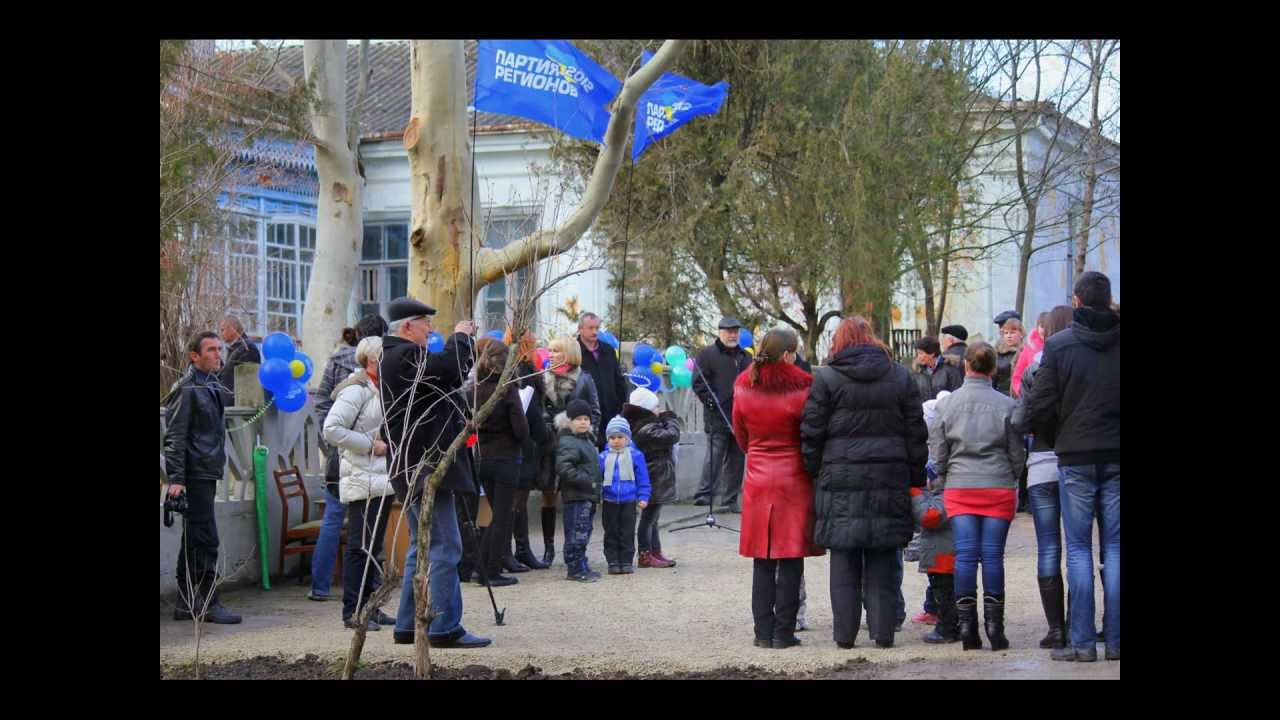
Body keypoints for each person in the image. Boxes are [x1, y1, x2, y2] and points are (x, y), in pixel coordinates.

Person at [801, 316, 926, 650]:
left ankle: (844, 635)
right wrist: (915, 476)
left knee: (843, 560)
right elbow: (916, 432)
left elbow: (811, 432)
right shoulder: (900, 376)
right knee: (884, 558)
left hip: (840, 479)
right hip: (889, 478)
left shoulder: (826, 378)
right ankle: (883, 633)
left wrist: (815, 471)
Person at [380, 297, 490, 649]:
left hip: (416, 465)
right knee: (446, 545)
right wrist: (460, 337)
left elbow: (440, 385)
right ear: (406, 327)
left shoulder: (400, 357)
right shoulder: (401, 356)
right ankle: (443, 627)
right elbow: (445, 369)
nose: (430, 329)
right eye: (424, 322)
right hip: (422, 466)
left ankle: (408, 623)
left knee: (422, 545)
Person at [1025, 272, 1120, 663]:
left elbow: (1039, 407)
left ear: (1077, 302)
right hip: (1116, 454)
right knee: (1115, 548)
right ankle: (1115, 640)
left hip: (1075, 456)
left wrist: (1057, 437)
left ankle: (1082, 643)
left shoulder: (1059, 346)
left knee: (1079, 550)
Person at [732, 327, 824, 650]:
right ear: (788, 354)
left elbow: (741, 436)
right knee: (790, 556)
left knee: (763, 558)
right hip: (794, 478)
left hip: (758, 477)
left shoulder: (744, 387)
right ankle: (784, 632)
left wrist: (758, 453)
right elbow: (811, 435)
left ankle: (762, 631)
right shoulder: (804, 389)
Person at [929, 342, 1025, 652]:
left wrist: (944, 475)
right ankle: (995, 628)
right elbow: (1016, 453)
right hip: (997, 484)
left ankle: (968, 628)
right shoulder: (1007, 405)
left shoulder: (947, 405)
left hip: (961, 485)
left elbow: (939, 454)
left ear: (966, 366)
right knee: (993, 555)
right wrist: (1011, 476)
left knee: (966, 555)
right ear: (994, 368)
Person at [309, 314, 388, 603]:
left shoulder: (336, 359)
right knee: (360, 534)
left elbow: (320, 404)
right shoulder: (359, 380)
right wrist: (346, 442)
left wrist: (331, 446)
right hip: (356, 455)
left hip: (342, 455)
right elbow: (331, 419)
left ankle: (321, 586)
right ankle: (360, 597)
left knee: (336, 522)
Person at [165, 331, 242, 624]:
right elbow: (174, 437)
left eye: (219, 349)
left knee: (194, 538)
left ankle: (186, 603)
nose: (217, 354)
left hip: (205, 471)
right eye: (211, 349)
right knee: (206, 538)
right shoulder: (186, 389)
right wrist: (176, 479)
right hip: (194, 474)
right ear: (194, 356)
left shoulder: (211, 384)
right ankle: (208, 602)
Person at [322, 336, 397, 631]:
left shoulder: (382, 388)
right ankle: (353, 611)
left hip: (380, 476)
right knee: (359, 547)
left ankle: (371, 606)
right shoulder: (356, 390)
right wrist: (369, 445)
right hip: (362, 476)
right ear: (373, 359)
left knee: (373, 545)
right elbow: (332, 429)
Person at [1012, 305, 1075, 650]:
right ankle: (1077, 622)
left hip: (1041, 466)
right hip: (1075, 461)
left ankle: (1055, 629)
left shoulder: (1037, 369)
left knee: (1049, 546)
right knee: (1081, 548)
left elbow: (1020, 419)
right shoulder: (1087, 364)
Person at [470, 337, 530, 588]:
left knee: (492, 515)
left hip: (482, 456)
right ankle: (489, 570)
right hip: (506, 457)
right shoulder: (507, 390)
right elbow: (521, 429)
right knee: (502, 517)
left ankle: (480, 567)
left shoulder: (474, 389)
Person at [538, 336, 601, 566]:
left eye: (556, 351)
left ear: (569, 353)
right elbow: (539, 410)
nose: (550, 354)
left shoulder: (584, 379)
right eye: (550, 350)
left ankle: (573, 549)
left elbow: (595, 411)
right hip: (550, 443)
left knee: (573, 497)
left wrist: (587, 435)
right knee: (548, 495)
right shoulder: (543, 379)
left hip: (576, 443)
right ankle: (548, 549)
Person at [692, 316, 752, 511]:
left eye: (735, 331)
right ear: (720, 332)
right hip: (717, 415)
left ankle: (729, 499)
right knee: (714, 457)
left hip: (740, 416)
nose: (733, 334)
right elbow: (699, 382)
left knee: (737, 459)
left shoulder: (746, 357)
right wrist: (709, 400)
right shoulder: (707, 355)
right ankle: (704, 495)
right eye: (729, 331)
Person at [912, 393, 958, 644]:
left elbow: (931, 516)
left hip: (943, 552)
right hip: (943, 549)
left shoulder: (943, 486)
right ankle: (951, 622)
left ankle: (948, 628)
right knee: (945, 588)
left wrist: (914, 495)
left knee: (945, 590)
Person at [504, 329, 551, 571]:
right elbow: (530, 409)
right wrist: (544, 435)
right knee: (515, 502)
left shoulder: (513, 370)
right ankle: (516, 551)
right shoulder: (522, 371)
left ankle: (520, 550)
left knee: (517, 501)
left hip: (522, 441)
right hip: (523, 442)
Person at [621, 387, 681, 569]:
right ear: (646, 409)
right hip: (653, 478)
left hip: (657, 477)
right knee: (648, 518)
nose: (659, 410)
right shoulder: (646, 428)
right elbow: (672, 436)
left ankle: (655, 551)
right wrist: (670, 418)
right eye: (655, 407)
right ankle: (645, 554)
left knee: (653, 518)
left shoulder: (647, 425)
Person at [555, 399, 603, 582]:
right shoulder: (568, 441)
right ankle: (574, 568)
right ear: (569, 421)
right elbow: (564, 468)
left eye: (586, 419)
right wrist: (587, 482)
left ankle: (582, 564)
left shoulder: (587, 440)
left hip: (588, 495)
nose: (583, 422)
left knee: (584, 532)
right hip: (576, 495)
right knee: (576, 533)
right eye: (578, 419)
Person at [598, 416, 651, 574]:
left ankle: (626, 560)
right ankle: (613, 560)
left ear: (627, 438)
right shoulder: (603, 457)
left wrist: (643, 496)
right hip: (609, 500)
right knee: (611, 531)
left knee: (627, 531)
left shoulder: (636, 456)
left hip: (629, 500)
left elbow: (643, 478)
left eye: (620, 437)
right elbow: (596, 477)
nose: (616, 441)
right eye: (612, 438)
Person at [577, 312, 628, 451]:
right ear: (580, 328)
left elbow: (619, 381)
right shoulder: (574, 351)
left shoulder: (608, 350)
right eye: (591, 328)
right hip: (586, 417)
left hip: (611, 414)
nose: (595, 332)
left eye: (597, 328)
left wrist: (621, 408)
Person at [217, 315, 261, 404]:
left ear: (233, 329)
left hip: (238, 408)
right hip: (231, 405)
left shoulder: (246, 348)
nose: (220, 334)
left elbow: (246, 383)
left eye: (222, 330)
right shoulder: (237, 347)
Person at [1010, 312, 1048, 399]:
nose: (1044, 330)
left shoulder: (1057, 346)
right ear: (1037, 327)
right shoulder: (1030, 347)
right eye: (1042, 326)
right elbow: (1017, 376)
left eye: (1047, 327)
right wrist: (1024, 394)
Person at [992, 311, 1024, 396]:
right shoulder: (997, 352)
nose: (1008, 335)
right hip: (1000, 397)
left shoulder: (1026, 351)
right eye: (1005, 332)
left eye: (1012, 331)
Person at [934, 324, 968, 394]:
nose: (942, 342)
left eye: (943, 338)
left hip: (951, 400)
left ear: (951, 340)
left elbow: (939, 386)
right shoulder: (973, 354)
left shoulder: (945, 358)